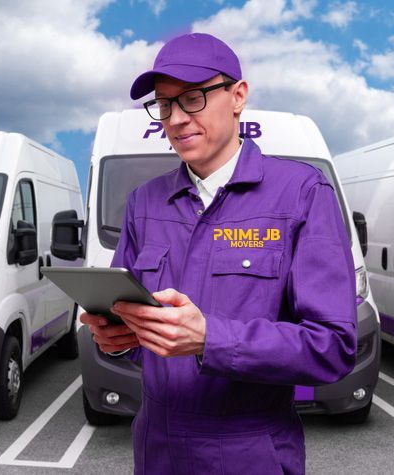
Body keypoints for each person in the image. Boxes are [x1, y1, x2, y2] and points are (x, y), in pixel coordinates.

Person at [79, 32, 357, 475]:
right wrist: (118, 341)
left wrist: (211, 338)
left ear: (238, 96)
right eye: (164, 104)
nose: (175, 118)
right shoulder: (144, 203)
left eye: (192, 98)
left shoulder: (302, 193)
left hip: (251, 451)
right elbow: (139, 331)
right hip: (157, 450)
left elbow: (334, 348)